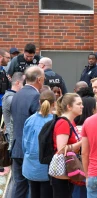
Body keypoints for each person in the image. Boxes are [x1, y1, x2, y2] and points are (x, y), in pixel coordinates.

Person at [10, 66, 45, 198]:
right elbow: (38, 124)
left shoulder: (17, 94)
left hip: (17, 147)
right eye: (43, 78)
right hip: (29, 149)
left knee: (19, 186)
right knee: (32, 188)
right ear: (39, 79)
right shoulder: (36, 96)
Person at [22, 90, 56, 198]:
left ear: (39, 102)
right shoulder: (56, 122)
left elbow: (24, 145)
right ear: (54, 103)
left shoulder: (29, 120)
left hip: (30, 167)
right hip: (47, 169)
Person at [51, 93, 83, 198]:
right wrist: (82, 142)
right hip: (62, 172)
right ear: (69, 107)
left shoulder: (70, 122)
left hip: (68, 170)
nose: (82, 106)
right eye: (78, 104)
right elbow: (61, 149)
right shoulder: (63, 123)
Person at [2, 72, 24, 149]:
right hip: (12, 137)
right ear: (18, 83)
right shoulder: (9, 98)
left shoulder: (14, 96)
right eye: (24, 83)